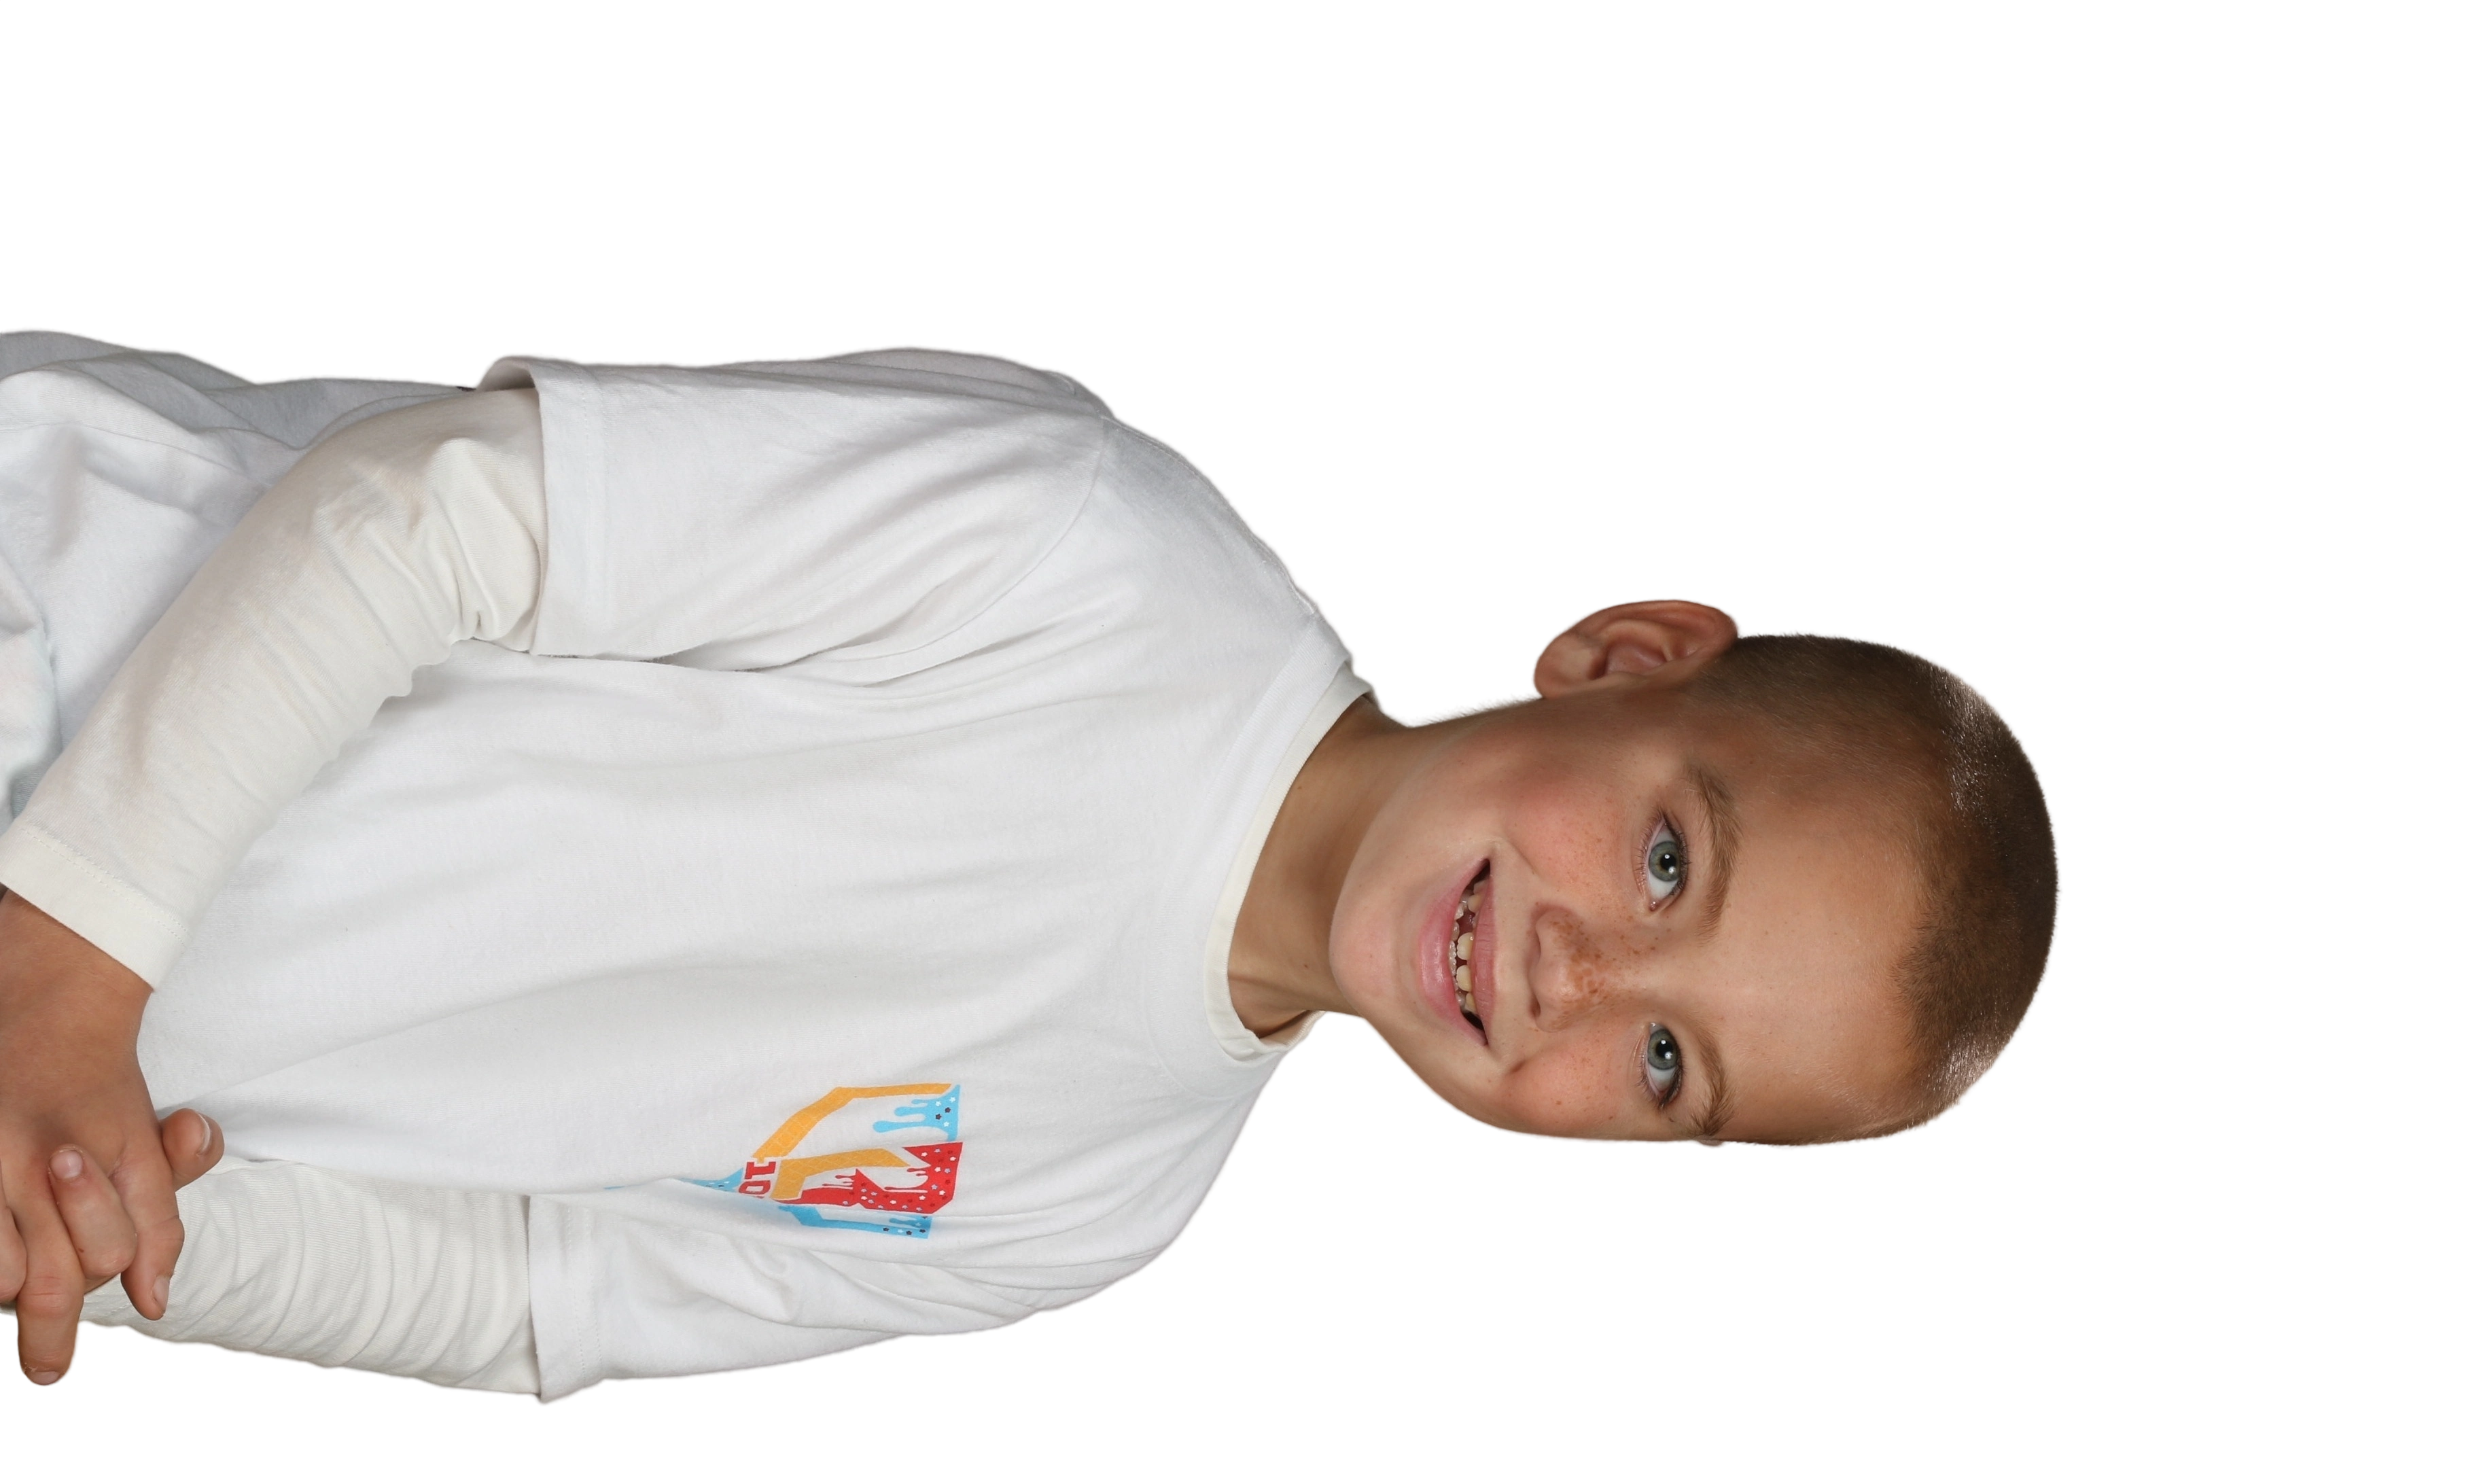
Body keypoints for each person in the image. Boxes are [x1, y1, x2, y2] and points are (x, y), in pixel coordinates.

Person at [0, 330, 2063, 1402]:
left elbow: (536, 1289)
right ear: (1624, 662)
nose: (1576, 981)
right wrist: (73, 968)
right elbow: (445, 514)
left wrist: (108, 1215)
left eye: (1672, 1069)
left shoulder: (1092, 1199)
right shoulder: (1096, 554)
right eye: (1670, 864)